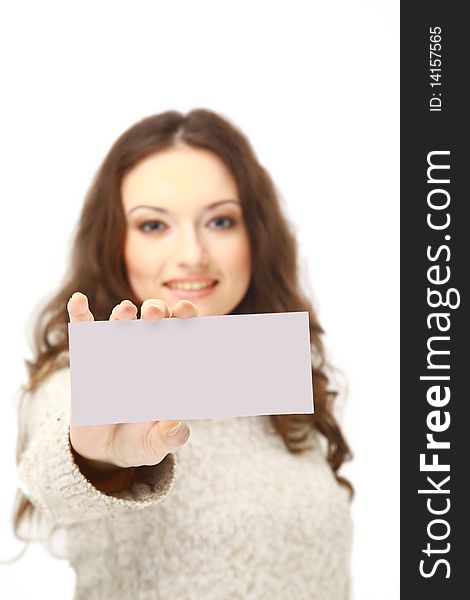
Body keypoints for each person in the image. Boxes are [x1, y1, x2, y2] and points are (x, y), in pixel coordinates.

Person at [9, 109, 353, 599]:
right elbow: (55, 465)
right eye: (153, 226)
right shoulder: (83, 379)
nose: (193, 253)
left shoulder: (278, 385)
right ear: (114, 243)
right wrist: (96, 457)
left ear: (255, 236)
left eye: (220, 220)